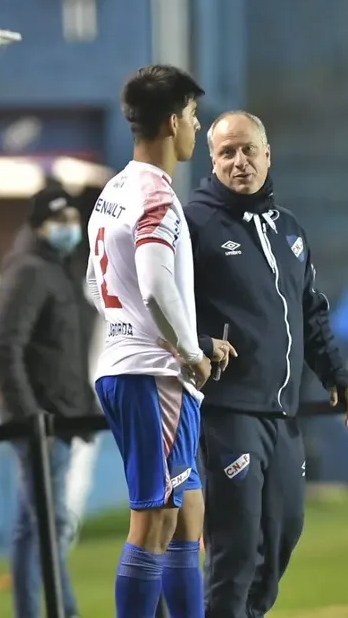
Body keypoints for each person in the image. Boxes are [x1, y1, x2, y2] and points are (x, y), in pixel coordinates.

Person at [185, 110, 348, 618]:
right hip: (228, 411)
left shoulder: (289, 229)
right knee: (234, 553)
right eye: (226, 152)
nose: (239, 162)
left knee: (283, 535)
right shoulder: (193, 224)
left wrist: (336, 374)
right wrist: (197, 344)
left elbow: (311, 308)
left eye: (248, 150)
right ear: (212, 161)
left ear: (267, 154)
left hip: (284, 414)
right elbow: (159, 300)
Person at [85, 64, 211, 618]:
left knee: (189, 515)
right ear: (170, 122)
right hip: (152, 376)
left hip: (129, 363)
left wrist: (143, 329)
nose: (198, 127)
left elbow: (97, 284)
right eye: (192, 115)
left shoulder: (112, 191)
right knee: (155, 518)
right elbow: (157, 282)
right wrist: (189, 351)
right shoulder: (157, 196)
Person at [0, 184, 98, 618]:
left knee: (36, 527)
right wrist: (33, 419)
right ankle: (59, 611)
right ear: (37, 225)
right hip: (42, 424)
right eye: (59, 220)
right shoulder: (30, 270)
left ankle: (42, 611)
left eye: (73, 219)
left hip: (61, 420)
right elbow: (1, 349)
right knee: (44, 527)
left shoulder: (62, 268)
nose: (70, 228)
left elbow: (65, 353)